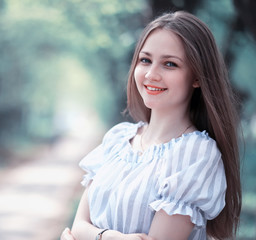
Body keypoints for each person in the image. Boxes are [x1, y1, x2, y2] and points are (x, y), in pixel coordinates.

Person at [60, 11, 241, 240]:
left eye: (169, 64)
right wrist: (114, 238)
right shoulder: (117, 139)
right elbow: (77, 226)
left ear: (197, 77)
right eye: (145, 60)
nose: (151, 74)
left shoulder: (195, 154)